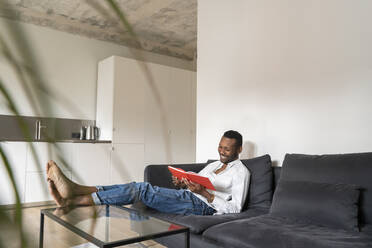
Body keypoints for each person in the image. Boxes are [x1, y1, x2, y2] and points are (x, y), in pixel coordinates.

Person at [47, 130, 250, 215]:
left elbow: (236, 209)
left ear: (239, 150)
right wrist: (183, 182)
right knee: (136, 186)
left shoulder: (241, 173)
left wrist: (204, 193)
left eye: (227, 149)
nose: (222, 152)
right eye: (220, 147)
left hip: (204, 207)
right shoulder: (215, 164)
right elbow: (201, 181)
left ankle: (73, 199)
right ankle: (76, 190)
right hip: (190, 195)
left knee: (141, 189)